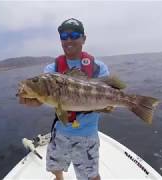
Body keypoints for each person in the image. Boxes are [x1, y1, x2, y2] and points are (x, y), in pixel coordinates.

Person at [20, 18, 110, 180]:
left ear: (83, 38)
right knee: (54, 166)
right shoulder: (51, 69)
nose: (68, 40)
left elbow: (108, 96)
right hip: (60, 132)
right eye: (64, 36)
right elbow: (44, 100)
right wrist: (33, 101)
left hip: (87, 134)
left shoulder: (98, 67)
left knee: (91, 176)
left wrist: (113, 104)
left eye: (74, 35)